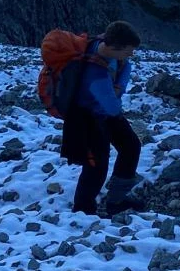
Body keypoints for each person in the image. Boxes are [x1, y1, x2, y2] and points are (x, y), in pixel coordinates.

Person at [57, 20, 144, 216]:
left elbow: (125, 68)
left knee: (130, 146)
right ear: (115, 47)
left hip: (101, 111)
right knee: (96, 164)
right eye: (128, 51)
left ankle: (116, 200)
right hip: (86, 117)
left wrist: (119, 83)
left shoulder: (104, 47)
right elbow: (113, 107)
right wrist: (119, 87)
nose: (131, 55)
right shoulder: (95, 73)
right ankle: (83, 211)